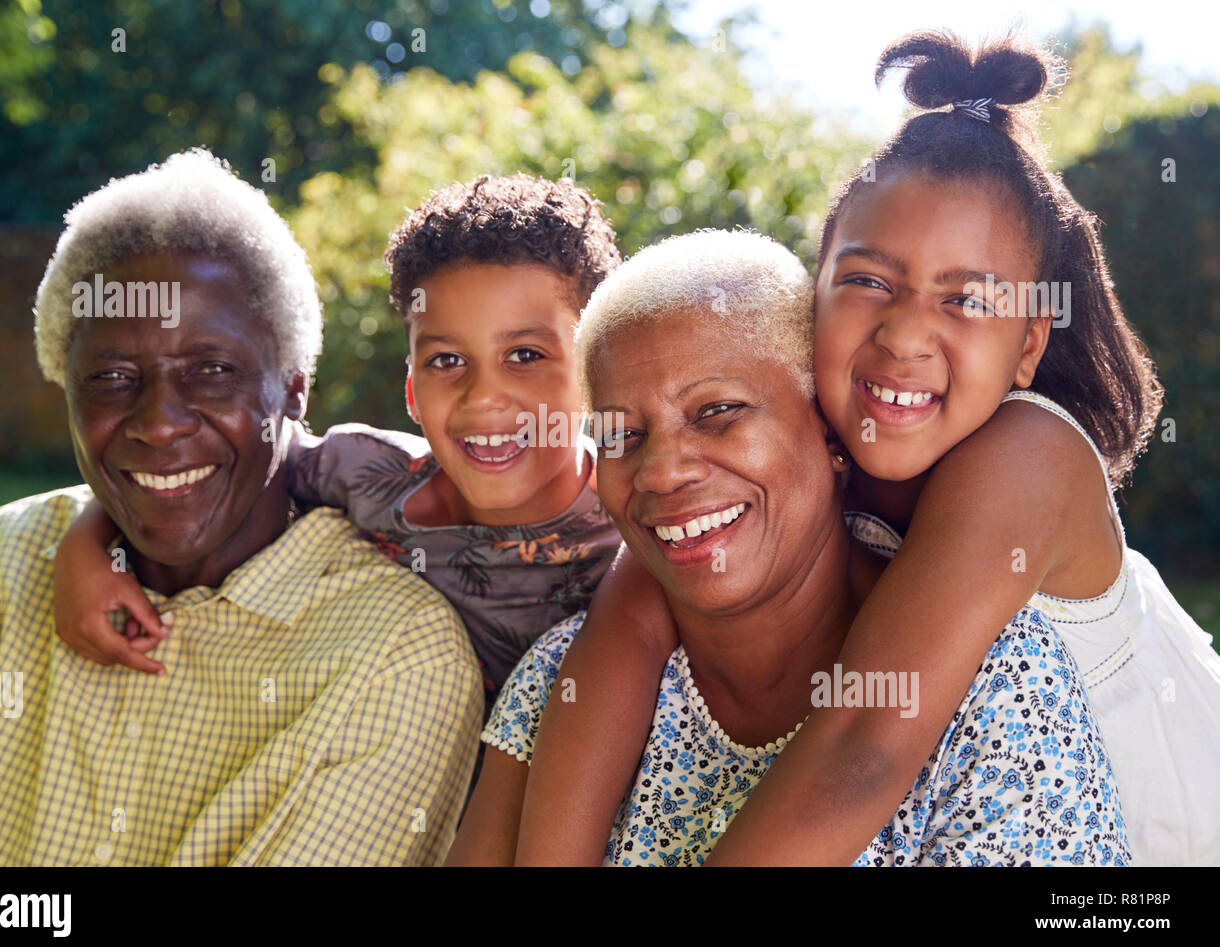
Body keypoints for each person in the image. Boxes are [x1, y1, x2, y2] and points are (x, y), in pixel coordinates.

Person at [516, 31, 1220, 866]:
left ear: (1028, 345)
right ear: (817, 291)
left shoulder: (1023, 454)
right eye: (870, 281)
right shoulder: (804, 447)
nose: (906, 333)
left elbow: (864, 742)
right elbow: (630, 620)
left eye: (966, 300)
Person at [446, 229, 1130, 866]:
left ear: (833, 433)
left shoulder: (990, 682)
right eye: (622, 435)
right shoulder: (560, 681)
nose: (661, 470)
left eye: (717, 411)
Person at [0, 149, 483, 865]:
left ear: (294, 394)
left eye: (212, 371)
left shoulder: (394, 655)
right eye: (112, 376)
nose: (158, 422)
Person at [50, 173, 623, 714]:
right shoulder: (365, 473)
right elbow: (198, 463)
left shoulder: (629, 527)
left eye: (526, 355)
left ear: (598, 373)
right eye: (446, 361)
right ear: (412, 391)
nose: (483, 398)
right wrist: (87, 542)